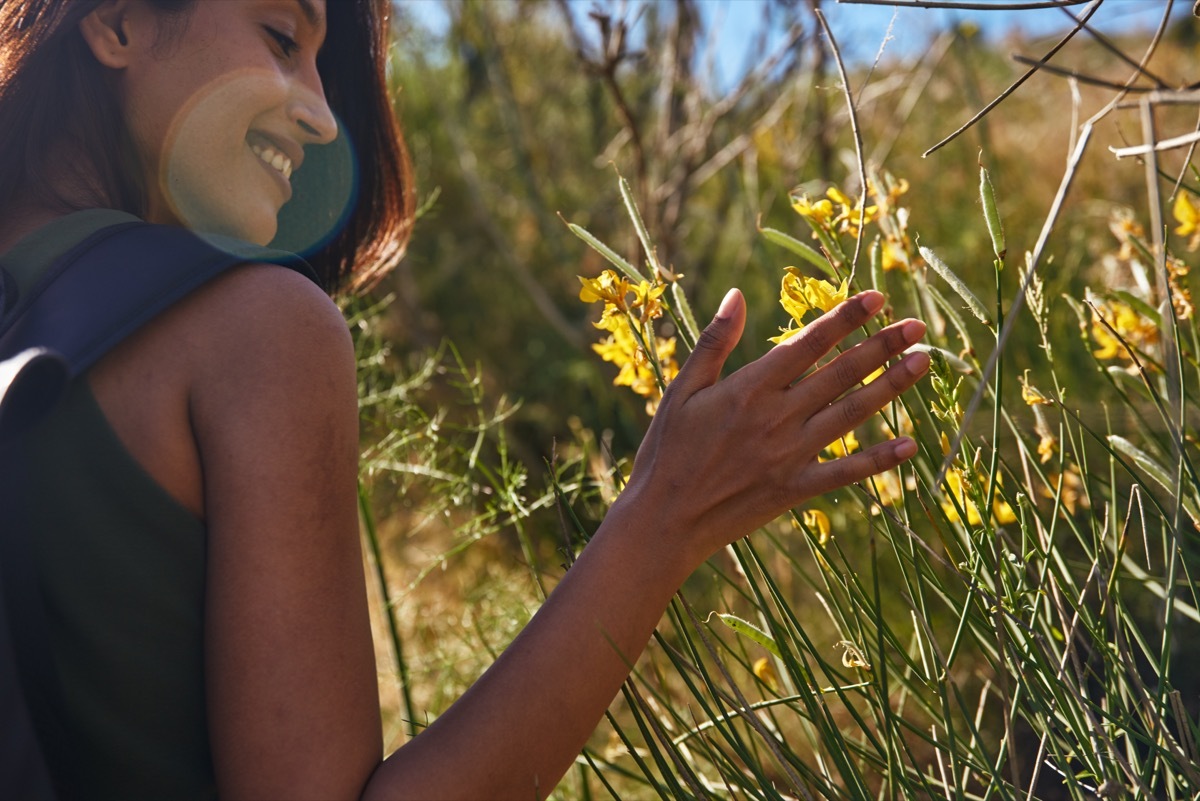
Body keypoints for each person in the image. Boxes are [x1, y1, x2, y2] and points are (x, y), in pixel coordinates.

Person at [0, 0, 930, 798]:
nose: (323, 116)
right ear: (116, 20)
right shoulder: (253, 334)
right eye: (282, 36)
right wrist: (665, 518)